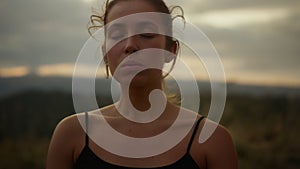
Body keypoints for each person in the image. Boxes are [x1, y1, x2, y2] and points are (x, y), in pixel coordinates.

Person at [46, 0, 238, 168]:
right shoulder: (72, 134)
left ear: (170, 50)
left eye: (146, 33)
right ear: (105, 54)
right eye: (117, 34)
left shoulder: (211, 141)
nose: (130, 45)